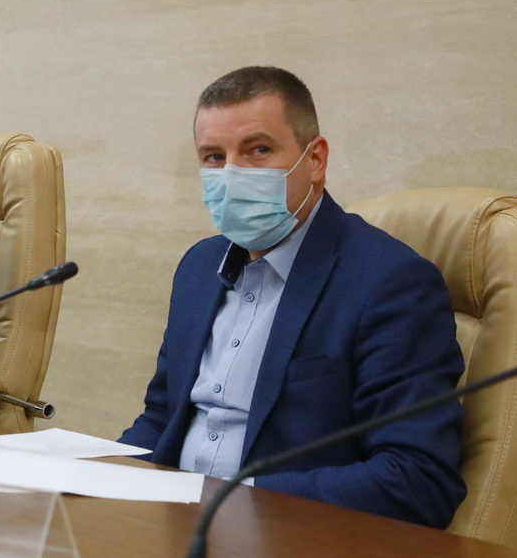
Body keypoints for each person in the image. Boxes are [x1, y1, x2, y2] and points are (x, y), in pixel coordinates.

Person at [118, 66, 465, 528]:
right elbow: (162, 419)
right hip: (171, 526)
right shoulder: (199, 267)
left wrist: (229, 502)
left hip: (286, 534)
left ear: (315, 159)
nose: (232, 173)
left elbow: (417, 479)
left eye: (258, 150)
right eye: (214, 157)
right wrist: (92, 479)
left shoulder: (390, 282)